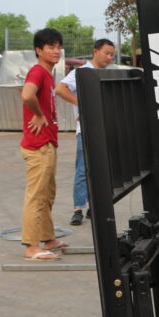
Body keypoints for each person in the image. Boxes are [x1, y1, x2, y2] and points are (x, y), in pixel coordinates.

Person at [55, 38, 116, 225]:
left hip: (106, 129)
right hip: (87, 130)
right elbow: (60, 89)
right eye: (107, 53)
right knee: (83, 170)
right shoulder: (81, 73)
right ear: (95, 52)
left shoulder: (108, 74)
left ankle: (95, 207)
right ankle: (78, 209)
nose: (109, 57)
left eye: (112, 54)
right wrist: (81, 104)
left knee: (102, 170)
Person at [20, 28, 65, 261]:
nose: (56, 51)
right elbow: (27, 95)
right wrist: (37, 115)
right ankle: (31, 246)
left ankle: (48, 239)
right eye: (50, 47)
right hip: (38, 145)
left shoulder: (49, 74)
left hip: (48, 143)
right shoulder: (38, 71)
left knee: (47, 195)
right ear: (39, 50)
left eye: (58, 46)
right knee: (37, 197)